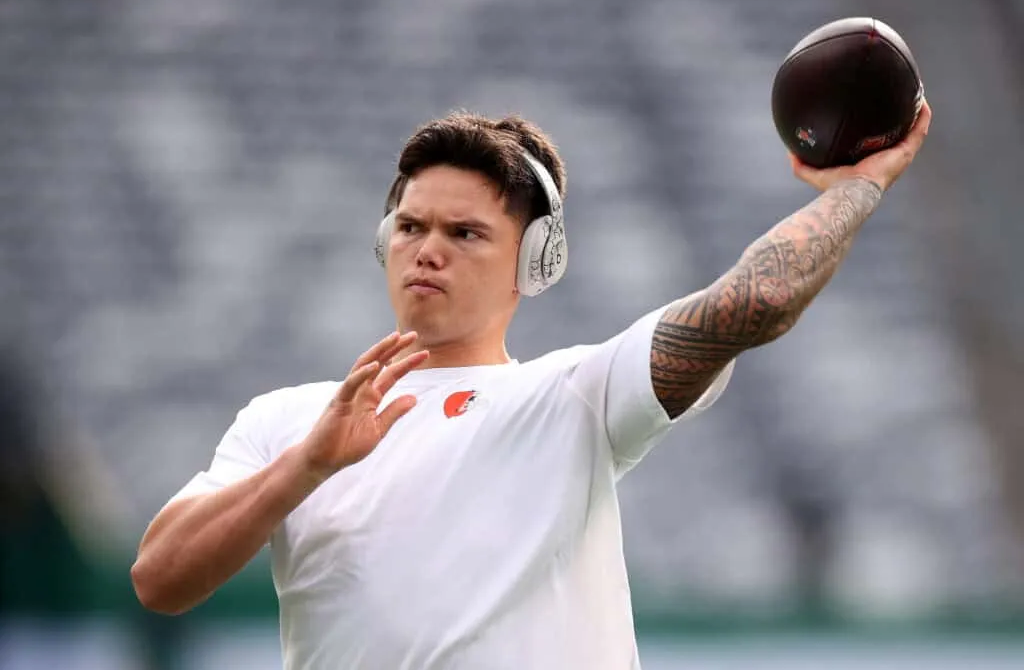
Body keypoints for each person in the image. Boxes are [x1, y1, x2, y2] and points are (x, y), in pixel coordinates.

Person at [132, 103, 932, 669]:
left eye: (465, 232)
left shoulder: (572, 395)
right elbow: (159, 577)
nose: (426, 250)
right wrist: (307, 465)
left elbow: (755, 300)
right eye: (410, 226)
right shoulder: (288, 422)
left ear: (536, 260)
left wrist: (856, 189)